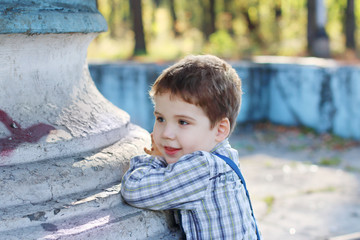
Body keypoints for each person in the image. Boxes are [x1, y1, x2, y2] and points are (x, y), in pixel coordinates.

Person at [120, 55, 261, 239]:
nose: (166, 133)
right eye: (160, 118)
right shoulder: (223, 156)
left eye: (183, 122)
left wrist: (155, 158)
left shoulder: (201, 168)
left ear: (220, 129)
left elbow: (133, 190)